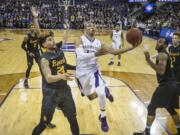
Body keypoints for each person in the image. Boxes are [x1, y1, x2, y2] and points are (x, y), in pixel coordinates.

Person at [75, 22, 139, 132]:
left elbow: (115, 52)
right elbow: (80, 56)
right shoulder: (79, 40)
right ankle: (106, 90)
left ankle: (103, 117)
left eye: (94, 26)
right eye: (90, 26)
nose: (92, 27)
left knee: (100, 93)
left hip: (94, 71)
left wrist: (131, 47)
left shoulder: (100, 43)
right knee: (91, 97)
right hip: (81, 73)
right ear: (85, 28)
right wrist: (96, 54)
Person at [31, 7, 80, 135]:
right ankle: (46, 122)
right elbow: (48, 78)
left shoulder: (58, 49)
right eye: (49, 40)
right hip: (50, 94)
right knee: (43, 124)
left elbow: (64, 39)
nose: (52, 40)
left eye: (52, 39)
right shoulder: (44, 59)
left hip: (65, 92)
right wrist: (36, 19)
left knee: (73, 118)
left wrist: (67, 27)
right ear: (43, 45)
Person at [133, 38, 180, 135]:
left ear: (166, 45)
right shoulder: (164, 54)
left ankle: (146, 132)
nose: (157, 43)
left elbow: (160, 71)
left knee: (151, 107)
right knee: (170, 108)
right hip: (173, 84)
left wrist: (148, 60)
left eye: (160, 42)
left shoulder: (162, 55)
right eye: (158, 41)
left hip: (166, 85)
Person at [21, 23, 42, 88]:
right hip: (30, 52)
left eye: (33, 26)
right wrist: (28, 52)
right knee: (29, 66)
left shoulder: (37, 35)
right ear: (29, 28)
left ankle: (45, 79)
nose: (33, 28)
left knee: (41, 65)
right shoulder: (27, 37)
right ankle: (26, 80)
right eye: (31, 27)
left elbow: (40, 42)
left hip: (36, 52)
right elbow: (22, 46)